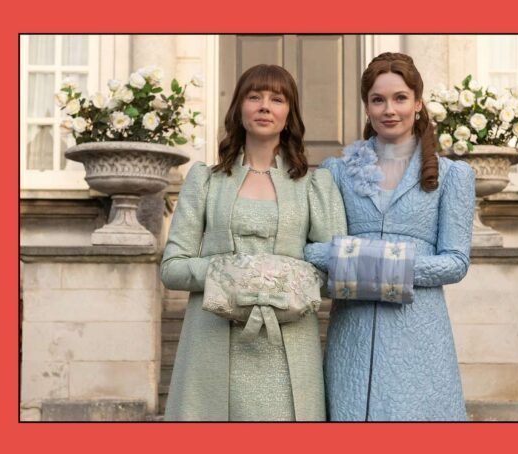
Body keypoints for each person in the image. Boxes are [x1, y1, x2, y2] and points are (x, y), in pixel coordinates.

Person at [161, 64, 346, 421]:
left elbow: (334, 269)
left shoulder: (315, 186)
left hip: (289, 348)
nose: (264, 106)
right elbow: (172, 268)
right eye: (254, 97)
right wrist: (231, 274)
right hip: (212, 341)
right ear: (238, 108)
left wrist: (279, 281)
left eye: (277, 99)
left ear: (289, 114)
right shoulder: (205, 181)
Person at [305, 53, 475, 421]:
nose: (389, 110)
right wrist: (359, 262)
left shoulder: (453, 176)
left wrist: (368, 266)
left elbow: (456, 262)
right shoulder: (336, 172)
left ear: (418, 102)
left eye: (400, 98)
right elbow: (311, 250)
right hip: (353, 335)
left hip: (419, 334)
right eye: (378, 100)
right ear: (366, 107)